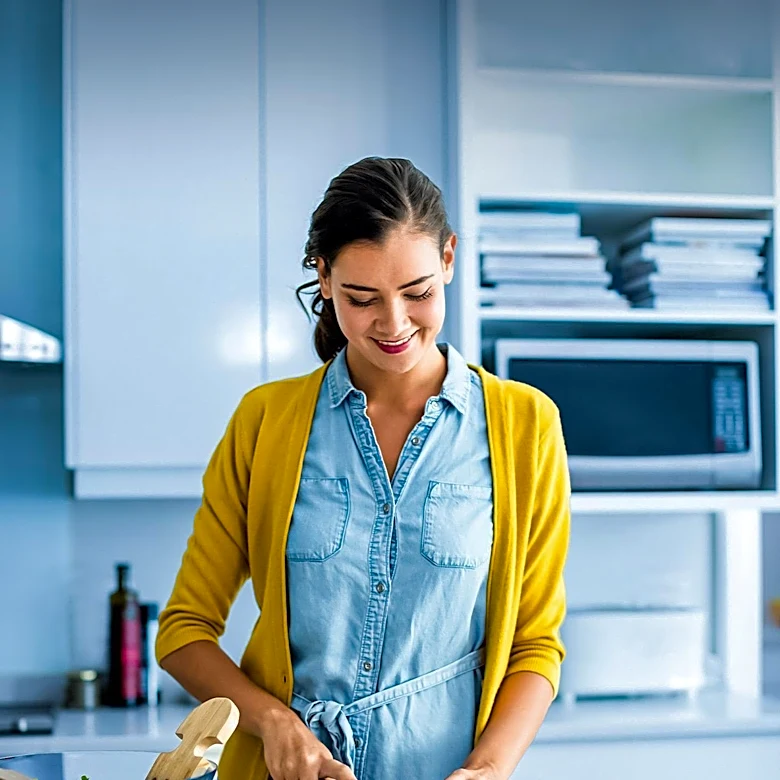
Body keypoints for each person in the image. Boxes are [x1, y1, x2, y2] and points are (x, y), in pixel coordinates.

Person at [156, 157, 570, 780]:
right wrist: (274, 725)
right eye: (362, 298)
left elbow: (535, 645)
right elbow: (183, 632)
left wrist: (487, 769)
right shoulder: (266, 422)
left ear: (450, 258)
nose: (396, 323)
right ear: (323, 278)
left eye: (419, 292)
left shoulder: (525, 425)